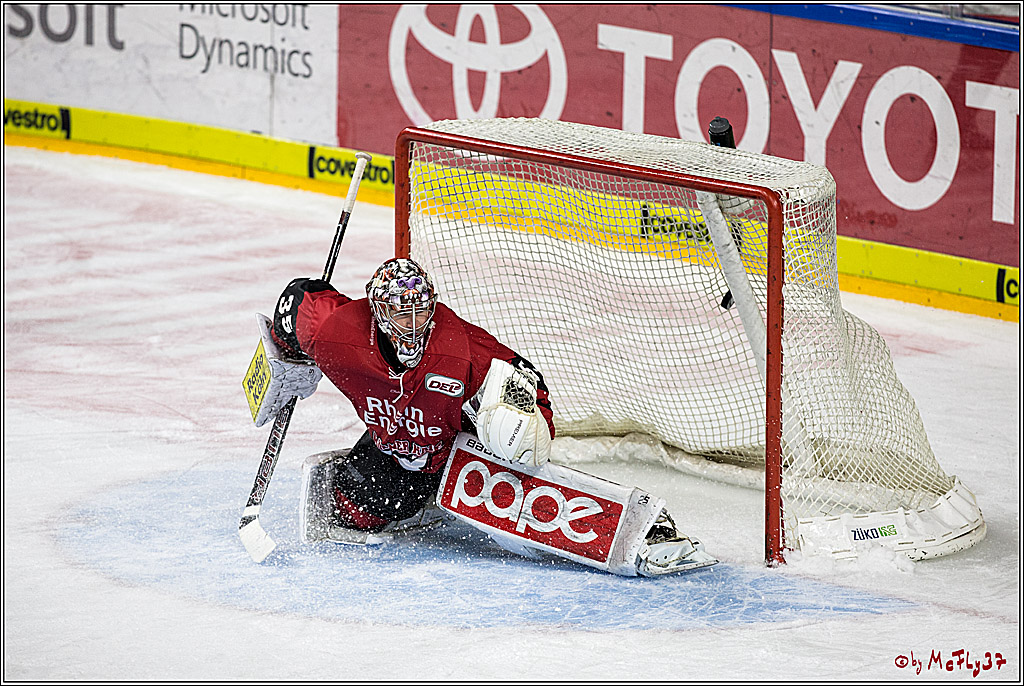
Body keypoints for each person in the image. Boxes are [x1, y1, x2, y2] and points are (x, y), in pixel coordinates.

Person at [267, 257, 716, 576]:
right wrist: (287, 356)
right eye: (401, 313)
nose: (414, 322)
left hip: (457, 454)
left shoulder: (461, 350)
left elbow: (529, 381)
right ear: (377, 312)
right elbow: (298, 300)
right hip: (395, 454)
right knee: (350, 511)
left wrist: (530, 423)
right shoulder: (336, 333)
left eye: (422, 309)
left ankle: (641, 531)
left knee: (517, 522)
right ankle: (420, 502)